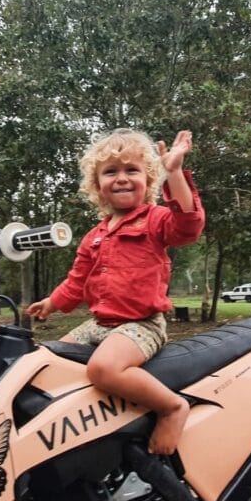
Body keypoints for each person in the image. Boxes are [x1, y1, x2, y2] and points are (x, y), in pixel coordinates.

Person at [27, 128, 205, 455]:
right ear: (98, 186)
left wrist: (175, 173)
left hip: (141, 324)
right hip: (99, 324)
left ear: (148, 181)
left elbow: (188, 225)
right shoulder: (93, 236)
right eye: (111, 172)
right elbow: (77, 281)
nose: (122, 178)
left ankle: (171, 407)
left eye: (131, 170)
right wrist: (52, 302)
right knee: (48, 359)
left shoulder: (155, 220)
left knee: (103, 369)